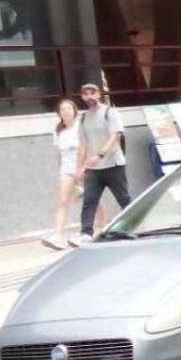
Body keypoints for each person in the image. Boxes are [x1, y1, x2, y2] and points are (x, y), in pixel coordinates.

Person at [41, 98, 103, 250]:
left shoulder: (81, 127)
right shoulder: (59, 131)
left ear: (74, 111)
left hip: (83, 168)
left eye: (69, 108)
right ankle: (58, 236)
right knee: (62, 201)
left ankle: (103, 227)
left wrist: (82, 169)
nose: (66, 112)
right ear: (59, 114)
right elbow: (60, 154)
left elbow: (87, 148)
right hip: (66, 170)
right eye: (62, 110)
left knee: (91, 200)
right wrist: (61, 170)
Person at [76, 83, 132, 245]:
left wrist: (100, 154)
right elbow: (83, 144)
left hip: (113, 164)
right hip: (94, 169)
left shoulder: (110, 112)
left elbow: (115, 136)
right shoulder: (84, 118)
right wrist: (81, 167)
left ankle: (136, 225)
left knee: (123, 198)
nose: (90, 97)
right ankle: (86, 234)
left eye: (92, 93)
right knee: (89, 200)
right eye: (86, 94)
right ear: (82, 97)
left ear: (99, 94)